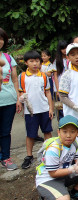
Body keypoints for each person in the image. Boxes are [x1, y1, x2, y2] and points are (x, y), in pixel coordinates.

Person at [36, 115, 78, 200]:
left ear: (77, 133)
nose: (68, 135)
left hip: (64, 174)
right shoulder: (53, 148)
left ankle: (75, 193)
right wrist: (72, 169)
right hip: (48, 180)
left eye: (72, 131)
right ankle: (46, 195)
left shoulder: (76, 141)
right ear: (59, 132)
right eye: (64, 131)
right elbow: (52, 173)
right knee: (64, 199)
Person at [19, 50, 53, 169]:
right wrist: (20, 101)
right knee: (31, 134)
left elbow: (48, 92)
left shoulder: (43, 76)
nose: (35, 63)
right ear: (26, 63)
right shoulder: (22, 76)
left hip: (44, 109)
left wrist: (51, 108)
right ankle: (29, 156)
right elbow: (20, 92)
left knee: (47, 131)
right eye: (31, 61)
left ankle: (48, 153)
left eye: (37, 61)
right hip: (31, 111)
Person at [0, 27, 22, 170]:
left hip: (9, 100)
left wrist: (18, 98)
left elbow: (15, 80)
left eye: (1, 38)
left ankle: (6, 157)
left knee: (5, 131)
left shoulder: (8, 58)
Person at [51, 40, 68, 120]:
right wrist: (58, 90)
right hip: (60, 87)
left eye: (66, 48)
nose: (64, 50)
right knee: (61, 108)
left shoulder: (71, 59)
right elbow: (55, 77)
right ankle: (62, 126)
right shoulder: (57, 61)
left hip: (70, 87)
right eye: (62, 48)